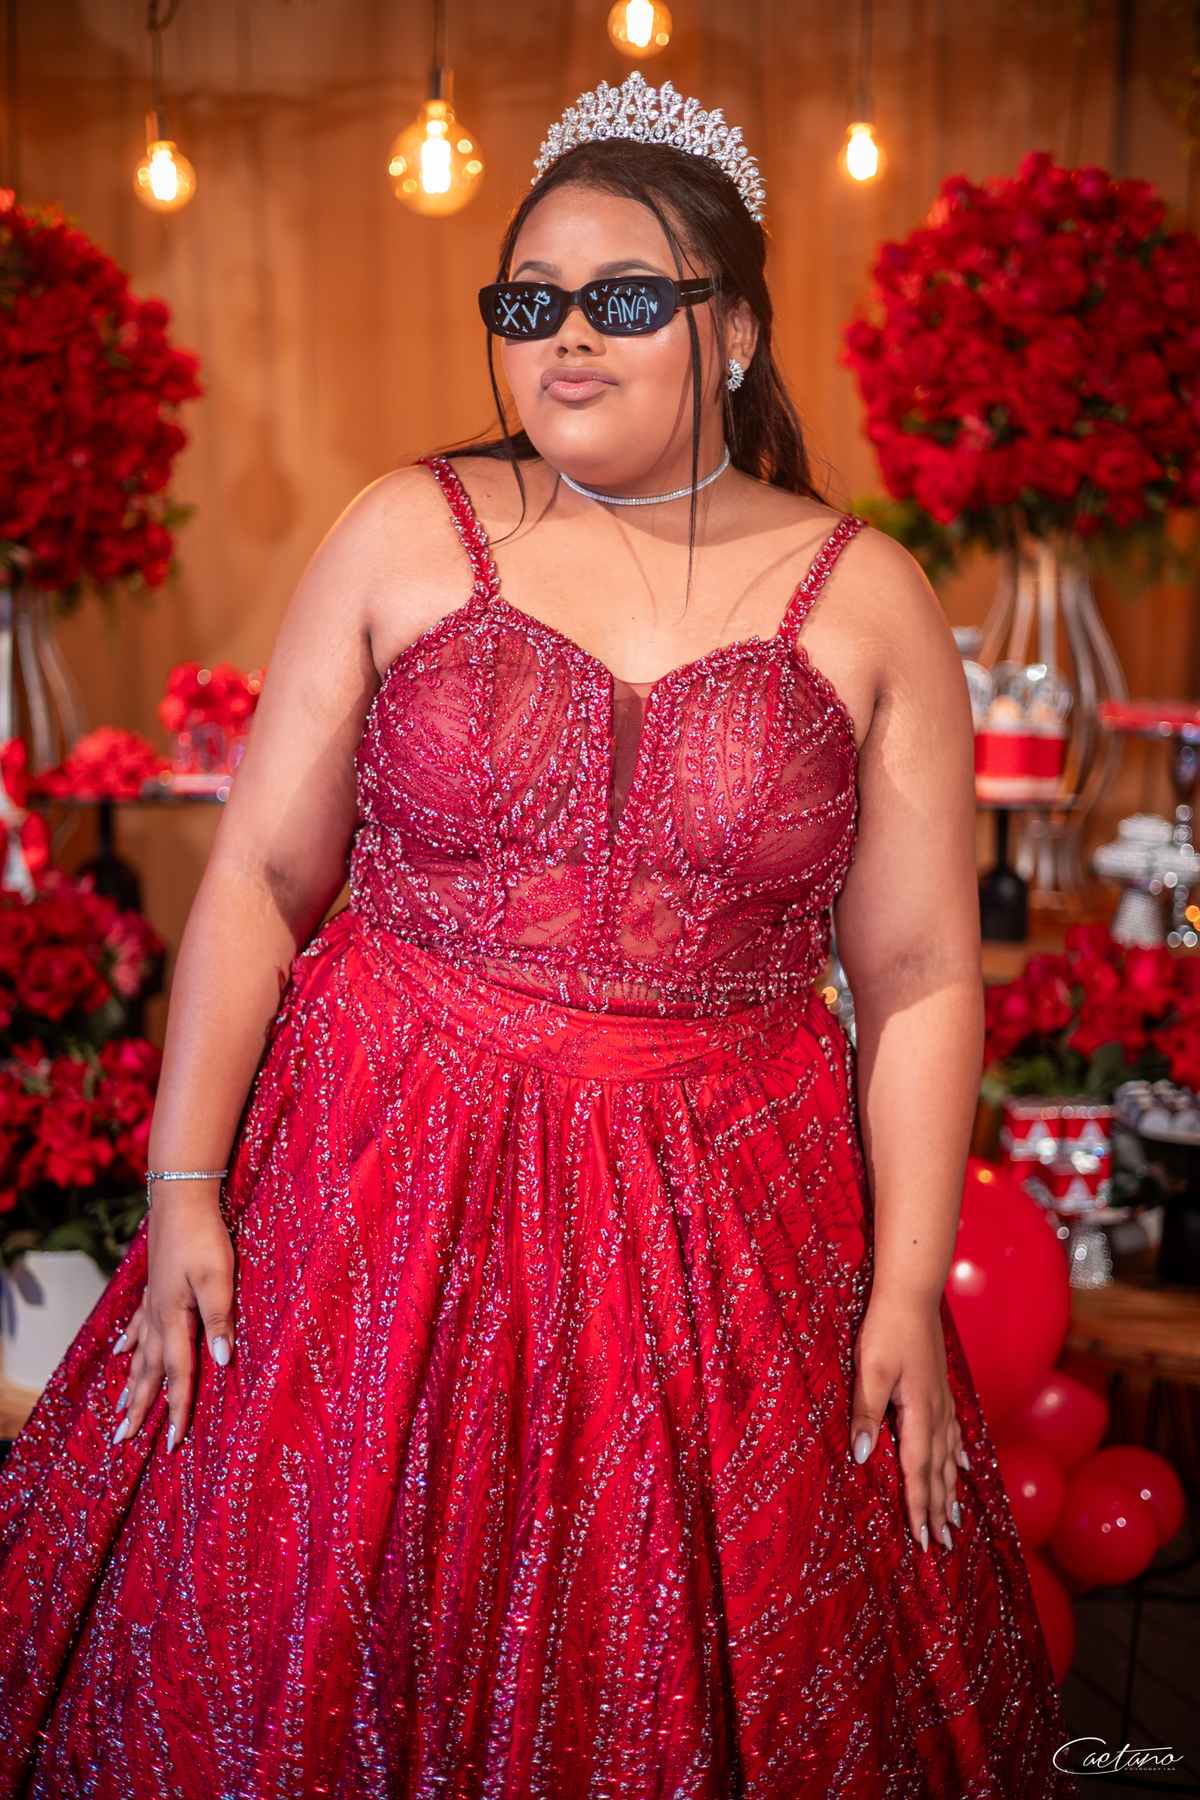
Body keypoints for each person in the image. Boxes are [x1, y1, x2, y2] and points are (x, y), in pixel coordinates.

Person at [0, 71, 1075, 1800]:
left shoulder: (867, 594)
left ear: (734, 332)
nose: (567, 337)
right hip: (377, 1181)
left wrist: (901, 1287)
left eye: (625, 300)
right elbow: (258, 881)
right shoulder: (402, 529)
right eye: (530, 304)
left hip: (726, 1211)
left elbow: (921, 975)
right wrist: (185, 1184)